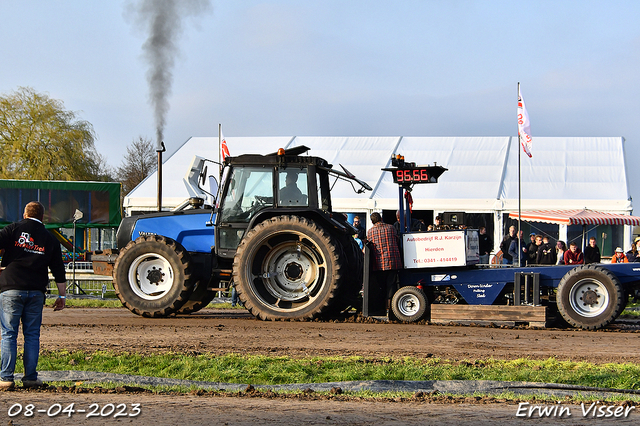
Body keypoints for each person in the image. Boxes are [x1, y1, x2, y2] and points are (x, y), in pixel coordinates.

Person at [0, 201, 66, 390]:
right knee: (31, 336)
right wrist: (62, 297)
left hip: (10, 288)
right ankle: (30, 378)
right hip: (36, 292)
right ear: (43, 216)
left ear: (25, 214)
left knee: (9, 334)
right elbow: (58, 270)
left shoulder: (14, 229)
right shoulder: (50, 238)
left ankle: (6, 378)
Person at [367, 212, 402, 314]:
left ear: (372, 221)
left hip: (379, 264)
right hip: (393, 262)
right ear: (381, 218)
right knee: (391, 285)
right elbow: (397, 240)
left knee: (381, 286)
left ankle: (382, 308)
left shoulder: (370, 232)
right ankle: (391, 308)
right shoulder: (391, 228)